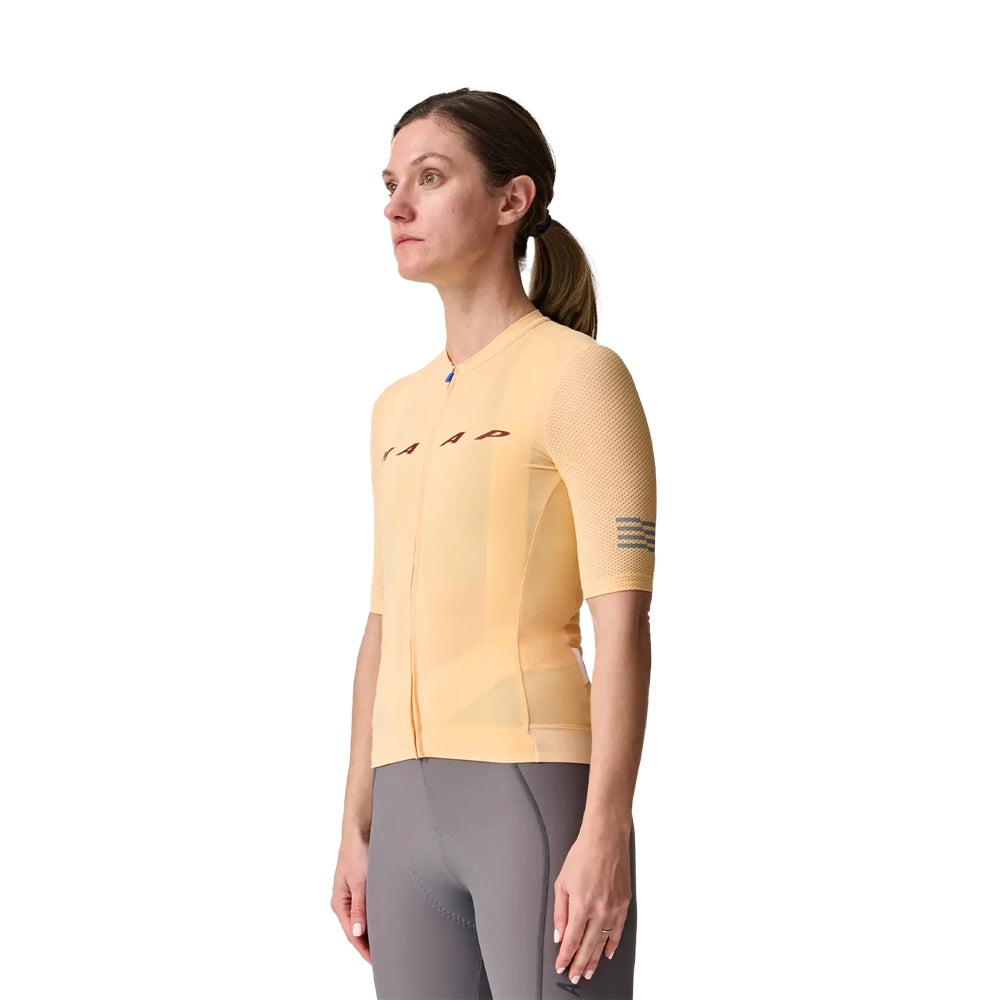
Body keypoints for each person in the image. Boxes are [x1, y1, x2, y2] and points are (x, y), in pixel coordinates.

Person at [330, 88, 656, 999]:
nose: (397, 206)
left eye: (430, 179)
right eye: (391, 184)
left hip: (533, 792)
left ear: (512, 200)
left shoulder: (579, 378)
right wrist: (355, 820)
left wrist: (605, 830)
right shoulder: (394, 409)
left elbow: (622, 624)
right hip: (402, 807)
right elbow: (382, 625)